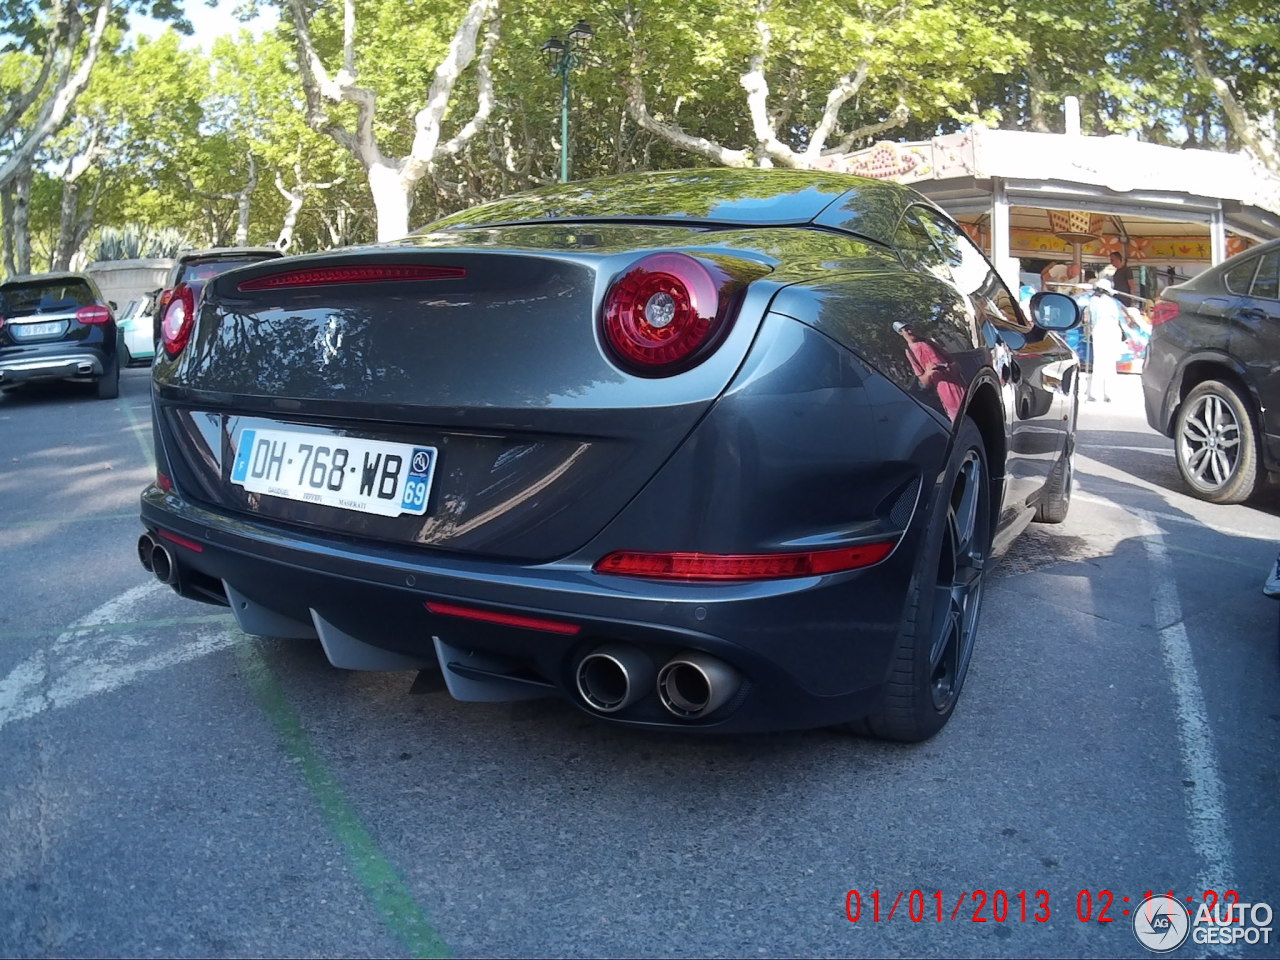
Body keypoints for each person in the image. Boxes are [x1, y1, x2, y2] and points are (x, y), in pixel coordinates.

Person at [893, 320, 966, 421]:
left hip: (958, 384)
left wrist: (951, 367)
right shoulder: (910, 353)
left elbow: (952, 361)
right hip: (945, 392)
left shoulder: (928, 342)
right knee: (961, 420)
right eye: (905, 330)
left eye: (910, 328)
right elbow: (922, 382)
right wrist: (928, 373)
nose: (909, 332)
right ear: (901, 333)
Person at [1085, 278, 1125, 402]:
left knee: (1099, 362)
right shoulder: (1113, 302)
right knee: (1110, 363)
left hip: (1101, 329)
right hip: (1114, 329)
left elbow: (1092, 320)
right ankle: (1110, 394)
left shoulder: (1094, 301)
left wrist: (1090, 333)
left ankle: (1095, 394)